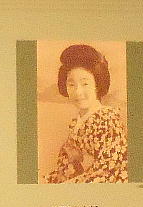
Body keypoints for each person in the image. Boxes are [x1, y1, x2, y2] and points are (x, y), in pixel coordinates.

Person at [44, 44, 128, 183]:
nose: (78, 92)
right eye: (71, 85)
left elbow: (107, 172)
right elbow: (65, 169)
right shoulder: (77, 123)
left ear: (98, 84)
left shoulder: (109, 120)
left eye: (85, 84)